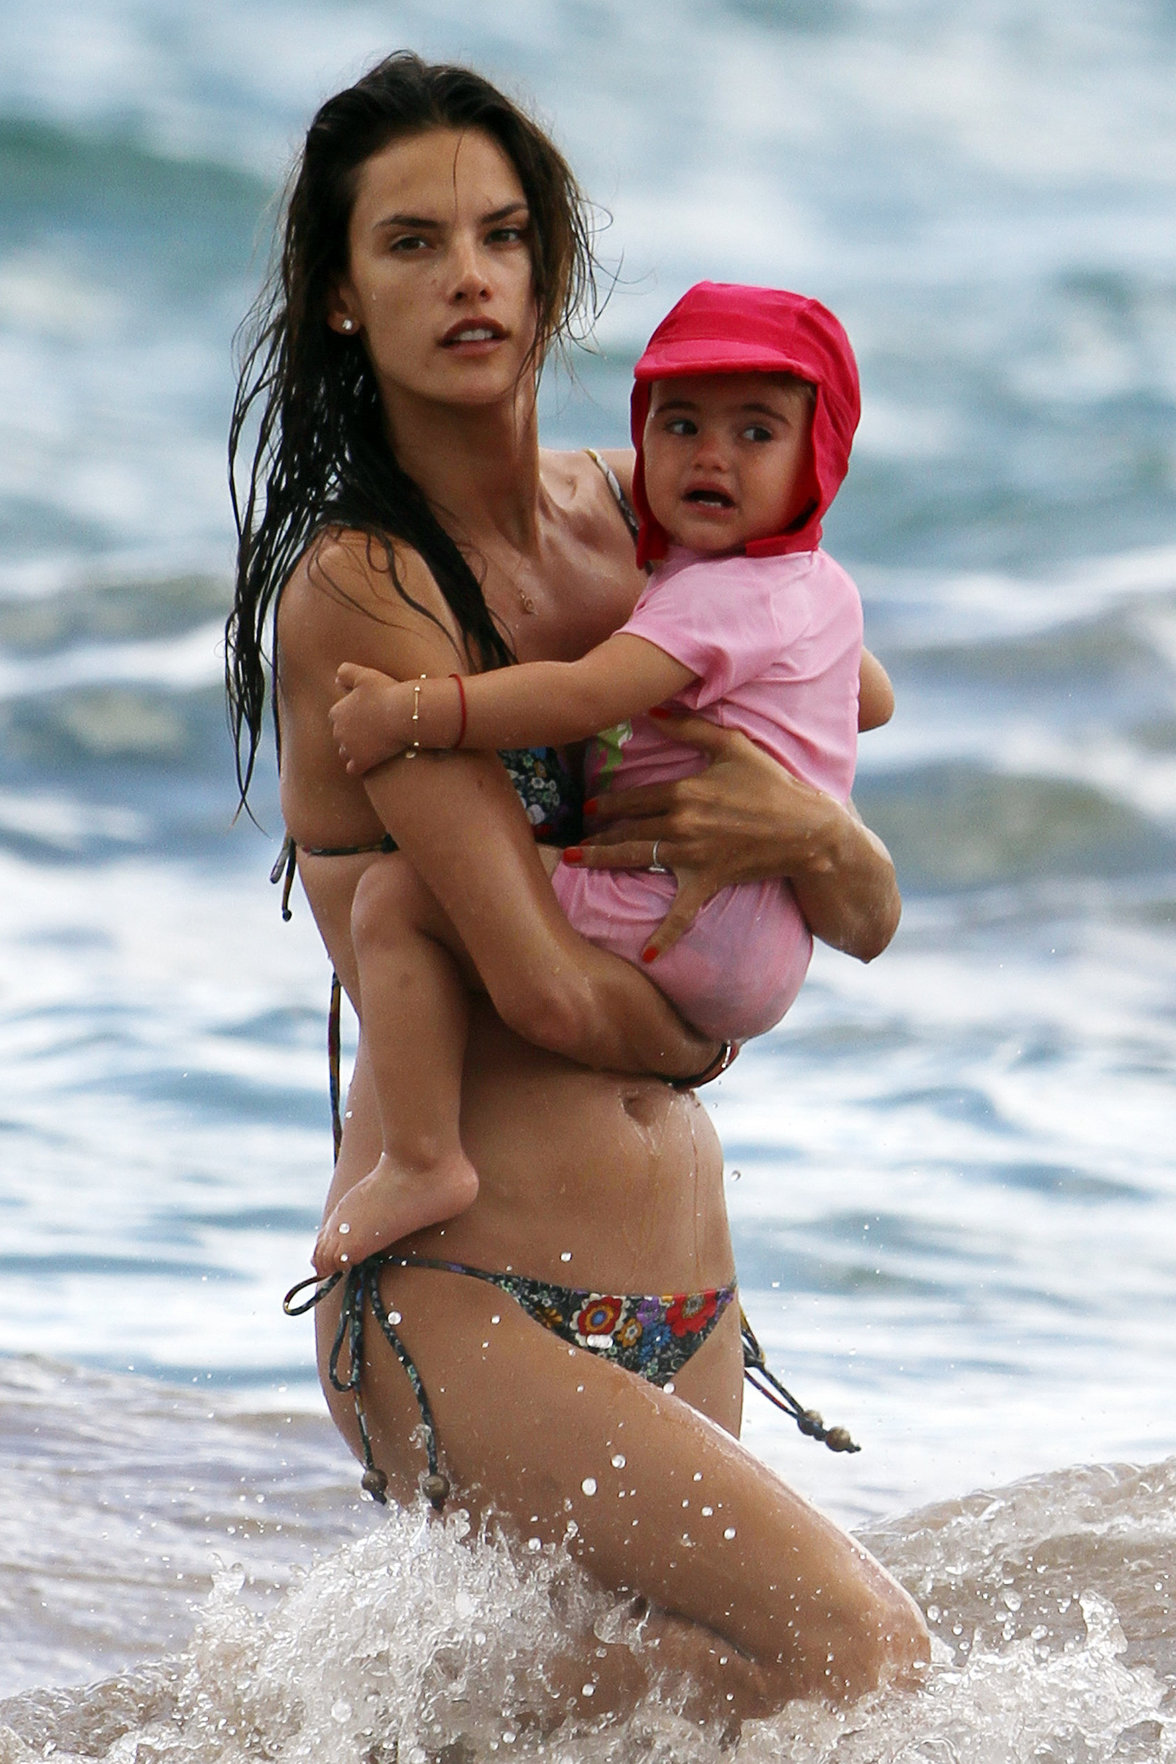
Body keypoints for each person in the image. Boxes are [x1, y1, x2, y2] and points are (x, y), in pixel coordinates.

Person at [226, 50, 928, 1729]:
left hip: (683, 1282)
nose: (467, 272)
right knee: (855, 1654)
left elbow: (845, 818)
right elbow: (541, 990)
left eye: (500, 233)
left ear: (549, 270)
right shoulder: (366, 587)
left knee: (705, 1725)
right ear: (340, 299)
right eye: (409, 243)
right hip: (476, 1298)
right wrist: (727, 1019)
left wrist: (826, 850)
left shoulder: (650, 517)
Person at [318, 282, 871, 1268]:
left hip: (680, 914)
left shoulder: (711, 605)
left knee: (396, 899)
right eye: (681, 422)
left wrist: (414, 712)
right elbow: (866, 701)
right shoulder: (818, 590)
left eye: (756, 433)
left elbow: (580, 696)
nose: (709, 454)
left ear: (817, 460)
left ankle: (421, 1158)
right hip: (766, 938)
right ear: (640, 428)